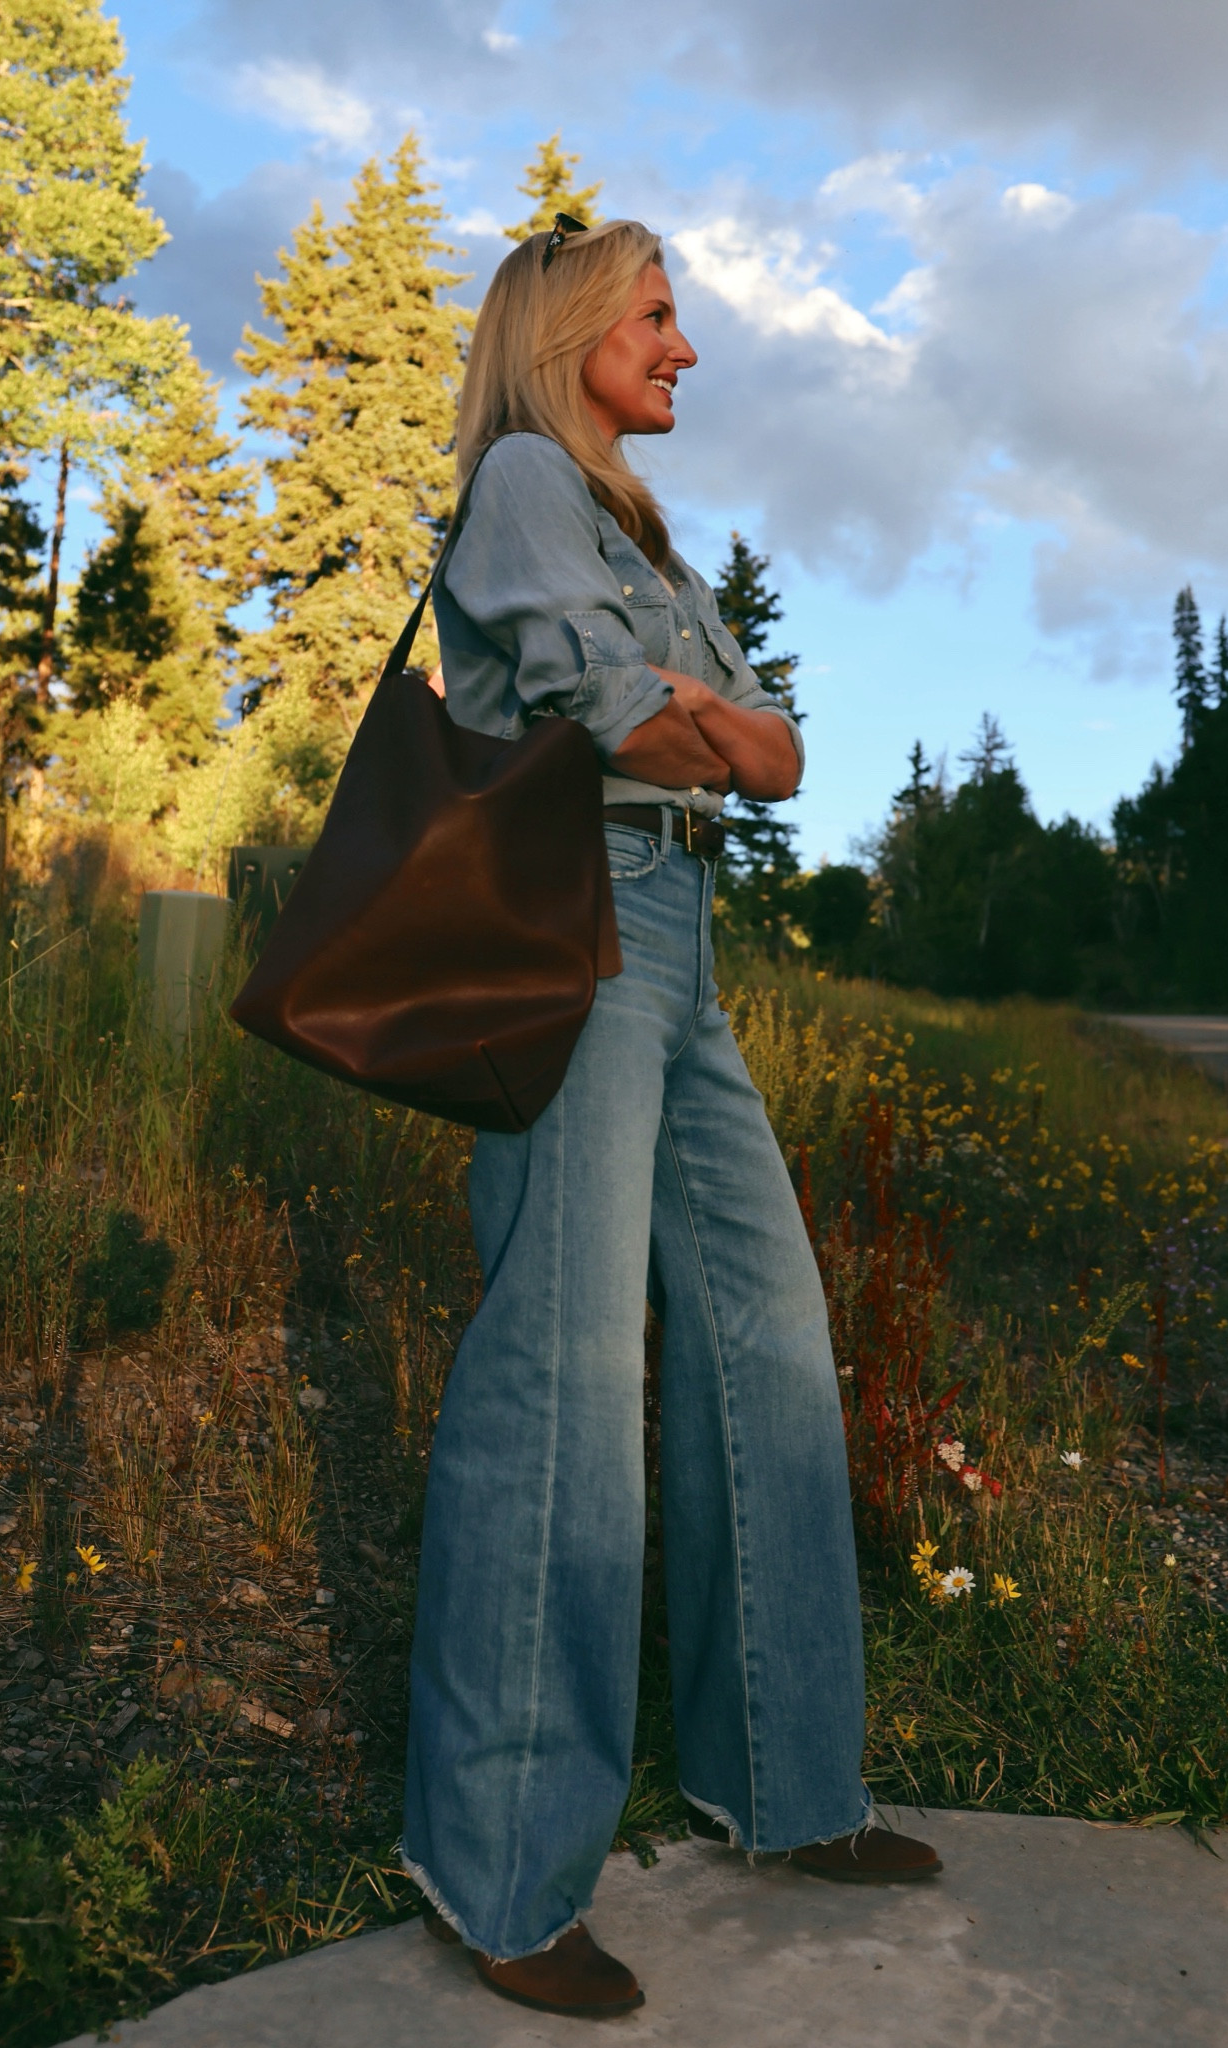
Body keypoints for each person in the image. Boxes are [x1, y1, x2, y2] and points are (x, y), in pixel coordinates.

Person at [402, 215, 939, 2022]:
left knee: (764, 1334)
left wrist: (712, 726)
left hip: (678, 931)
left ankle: (786, 1785)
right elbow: (641, 724)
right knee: (561, 1386)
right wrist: (705, 725)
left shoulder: (633, 524)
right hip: (575, 922)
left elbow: (773, 751)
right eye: (655, 313)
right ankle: (497, 1872)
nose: (686, 345)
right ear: (570, 331)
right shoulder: (526, 490)